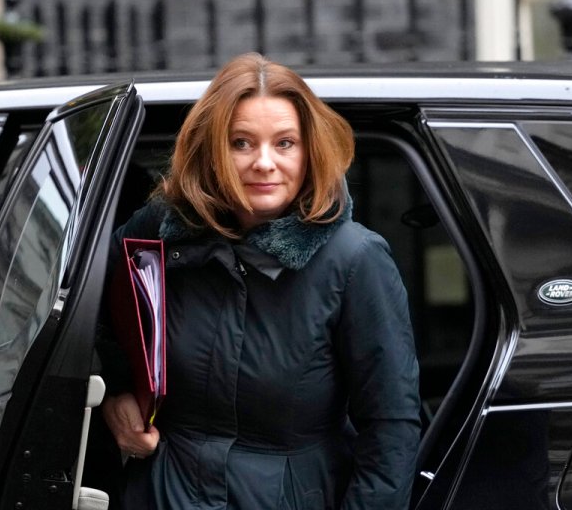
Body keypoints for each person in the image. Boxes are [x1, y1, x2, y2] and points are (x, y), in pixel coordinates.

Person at [99, 52, 420, 510]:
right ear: (211, 149)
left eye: (285, 143)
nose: (264, 163)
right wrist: (116, 392)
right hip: (163, 492)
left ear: (310, 150)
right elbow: (88, 318)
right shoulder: (159, 230)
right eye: (242, 143)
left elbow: (391, 427)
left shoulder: (355, 259)